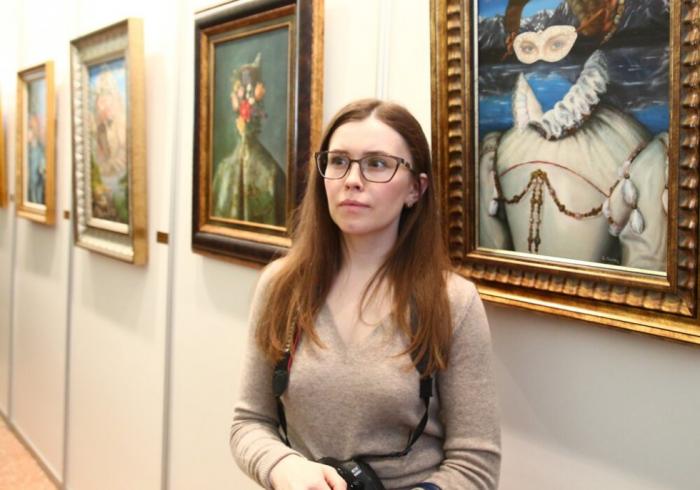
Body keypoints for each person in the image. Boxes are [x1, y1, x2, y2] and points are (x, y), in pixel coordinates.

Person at [230, 99, 501, 489]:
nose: (352, 180)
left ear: (415, 189)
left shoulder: (452, 302)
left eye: (376, 164)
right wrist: (284, 467)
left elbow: (475, 465)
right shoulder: (282, 286)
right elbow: (250, 421)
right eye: (338, 161)